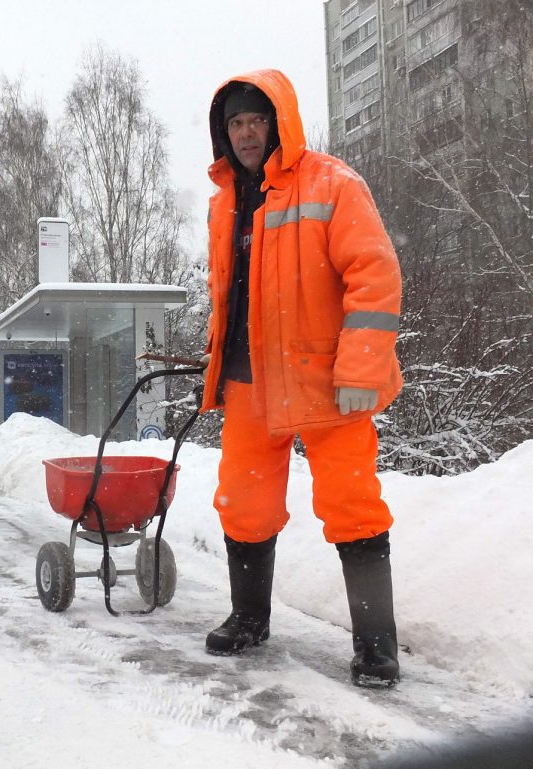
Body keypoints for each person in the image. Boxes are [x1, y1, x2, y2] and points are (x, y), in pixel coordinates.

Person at [199, 70, 403, 687]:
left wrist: (363, 367)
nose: (245, 132)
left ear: (279, 122)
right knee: (245, 504)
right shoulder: (224, 200)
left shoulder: (333, 184)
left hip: (327, 383)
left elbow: (375, 275)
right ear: (223, 133)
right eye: (234, 123)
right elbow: (231, 295)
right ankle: (249, 617)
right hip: (247, 384)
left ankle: (376, 645)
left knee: (352, 507)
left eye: (256, 120)